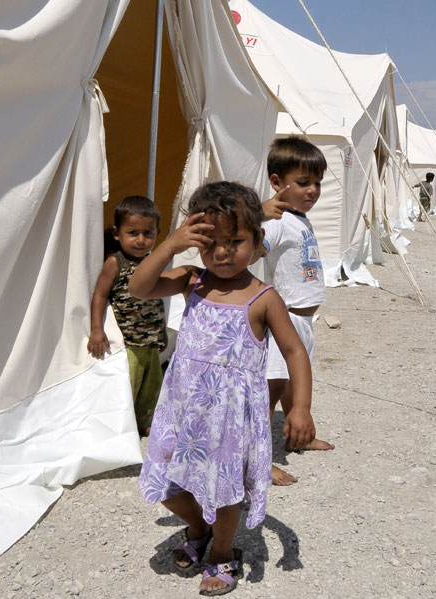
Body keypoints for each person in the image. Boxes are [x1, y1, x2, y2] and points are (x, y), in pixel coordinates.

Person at [133, 181, 316, 596]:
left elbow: (295, 351)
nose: (222, 252)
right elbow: (139, 287)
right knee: (166, 483)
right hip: (182, 408)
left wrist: (300, 407)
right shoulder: (191, 280)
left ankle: (221, 551)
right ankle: (198, 526)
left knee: (225, 493)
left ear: (257, 239)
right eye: (210, 242)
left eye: (235, 242)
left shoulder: (263, 298)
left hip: (229, 420)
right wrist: (171, 244)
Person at [261, 135, 335, 486]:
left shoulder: (299, 218)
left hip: (303, 320)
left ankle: (298, 436)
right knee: (270, 391)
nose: (313, 191)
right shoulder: (276, 221)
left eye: (317, 183)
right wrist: (257, 215)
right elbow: (252, 249)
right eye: (304, 183)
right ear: (277, 182)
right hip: (285, 319)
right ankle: (257, 460)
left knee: (291, 382)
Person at [88, 196, 167, 437]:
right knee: (128, 385)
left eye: (148, 233)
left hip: (151, 341)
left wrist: (162, 330)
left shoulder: (153, 262)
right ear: (117, 233)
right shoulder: (116, 262)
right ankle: (121, 427)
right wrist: (96, 329)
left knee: (151, 386)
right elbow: (100, 295)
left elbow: (157, 300)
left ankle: (143, 423)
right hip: (128, 342)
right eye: (133, 233)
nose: (141, 240)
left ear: (157, 234)